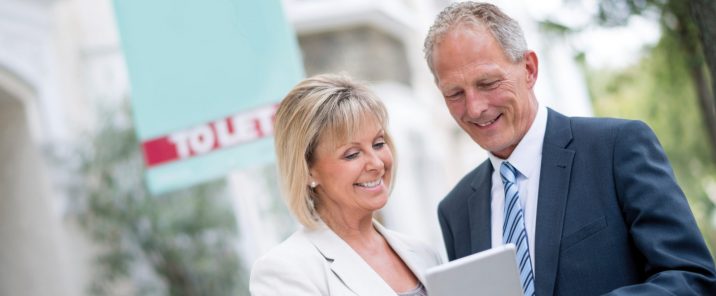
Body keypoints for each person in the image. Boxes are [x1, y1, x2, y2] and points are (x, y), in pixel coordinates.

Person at [423, 2, 716, 296]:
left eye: (487, 83)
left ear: (529, 69)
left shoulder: (616, 148)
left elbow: (693, 278)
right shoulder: (455, 211)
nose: (474, 107)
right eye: (455, 93)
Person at [249, 73, 441, 296]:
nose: (377, 163)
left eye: (379, 143)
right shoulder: (285, 271)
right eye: (352, 154)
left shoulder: (424, 254)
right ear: (308, 169)